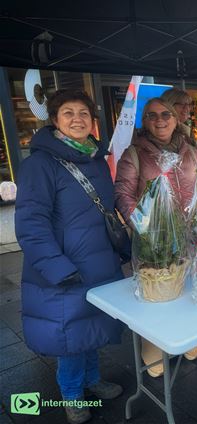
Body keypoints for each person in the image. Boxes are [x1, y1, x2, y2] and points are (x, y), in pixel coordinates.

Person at [15, 90, 124, 424]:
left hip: (99, 263)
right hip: (65, 268)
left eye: (83, 113)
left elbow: (107, 211)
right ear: (54, 120)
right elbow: (31, 223)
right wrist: (57, 267)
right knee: (69, 337)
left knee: (91, 329)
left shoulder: (96, 160)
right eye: (68, 113)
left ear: (93, 121)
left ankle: (93, 380)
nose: (77, 119)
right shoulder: (40, 165)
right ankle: (72, 395)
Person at [114, 97, 197, 377]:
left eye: (166, 114)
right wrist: (143, 226)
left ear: (176, 119)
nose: (160, 120)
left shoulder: (191, 150)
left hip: (189, 232)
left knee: (184, 286)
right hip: (153, 239)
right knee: (153, 293)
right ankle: (151, 344)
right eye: (152, 116)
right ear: (145, 122)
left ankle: (185, 335)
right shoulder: (135, 153)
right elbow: (123, 194)